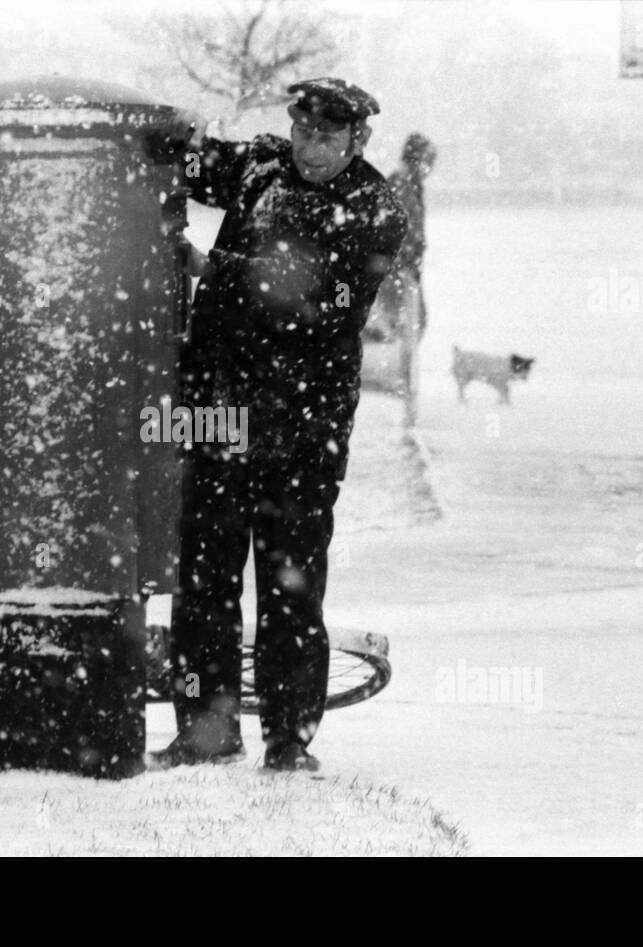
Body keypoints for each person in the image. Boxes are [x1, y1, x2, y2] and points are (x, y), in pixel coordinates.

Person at [150, 78, 409, 772]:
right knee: (204, 580)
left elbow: (318, 302)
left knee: (290, 586)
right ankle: (204, 732)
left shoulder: (375, 210)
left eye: (326, 137)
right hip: (220, 408)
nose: (309, 148)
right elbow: (192, 162)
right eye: (302, 132)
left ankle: (288, 740)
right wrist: (162, 133)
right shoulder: (262, 165)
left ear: (357, 140)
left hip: (303, 423)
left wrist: (215, 269)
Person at [379, 132, 436, 340]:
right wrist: (403, 262)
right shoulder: (401, 185)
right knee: (403, 327)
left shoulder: (408, 185)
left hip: (402, 268)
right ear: (417, 160)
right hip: (396, 270)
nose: (430, 168)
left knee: (411, 325)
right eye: (428, 160)